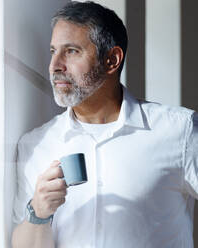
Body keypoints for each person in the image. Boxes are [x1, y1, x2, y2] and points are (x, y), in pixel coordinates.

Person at [11, 1, 198, 248]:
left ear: (112, 59)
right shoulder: (35, 145)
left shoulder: (179, 130)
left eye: (71, 51)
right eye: (53, 51)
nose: (55, 65)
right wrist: (38, 212)